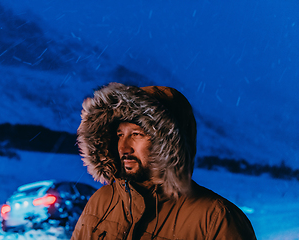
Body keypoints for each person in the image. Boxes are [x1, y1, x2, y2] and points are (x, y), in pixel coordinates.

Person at [72, 82, 256, 240]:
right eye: (120, 135)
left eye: (136, 134)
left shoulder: (216, 220)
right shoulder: (101, 201)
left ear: (167, 143)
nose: (123, 148)